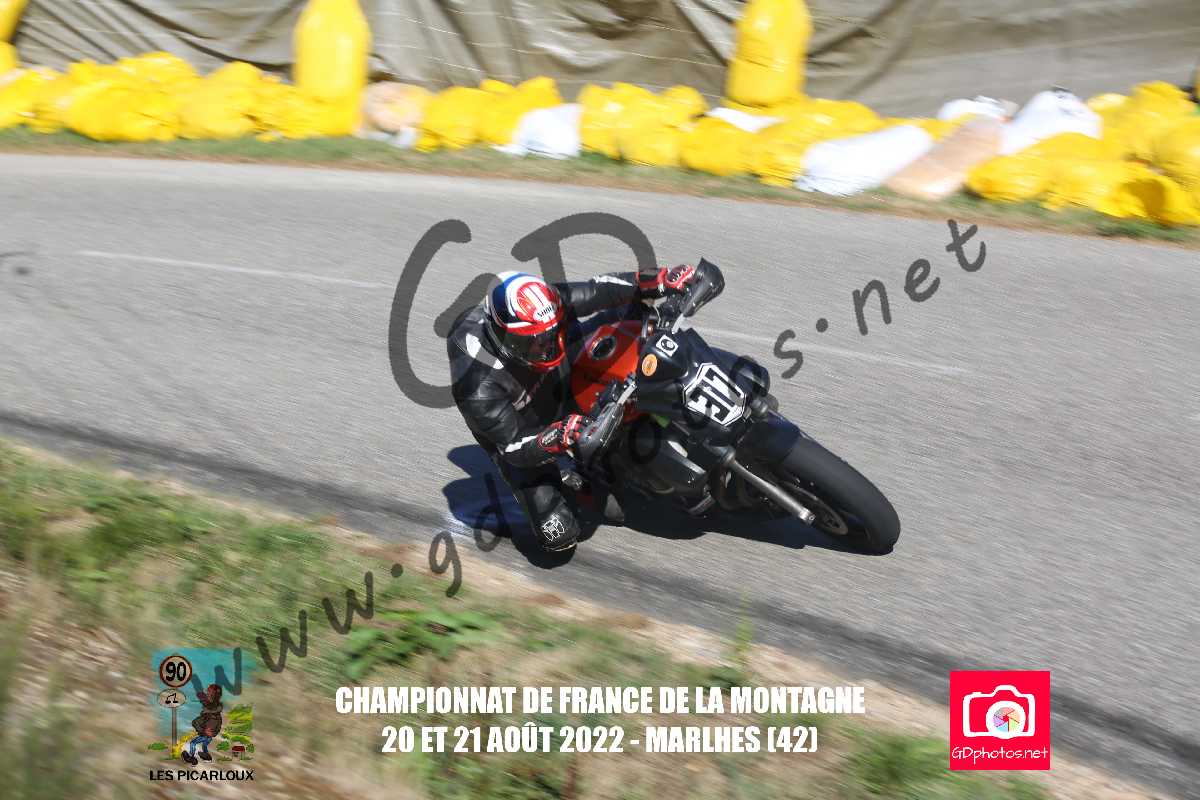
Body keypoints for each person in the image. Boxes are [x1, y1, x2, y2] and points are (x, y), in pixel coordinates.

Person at [447, 264, 704, 552]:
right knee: (560, 534)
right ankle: (579, 473)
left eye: (547, 334)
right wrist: (556, 437)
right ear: (501, 340)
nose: (544, 346)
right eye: (530, 341)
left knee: (636, 316)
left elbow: (596, 290)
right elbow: (512, 449)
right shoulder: (476, 386)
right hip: (526, 434)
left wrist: (656, 280)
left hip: (560, 379)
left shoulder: (543, 309)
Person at [181, 684, 223, 765]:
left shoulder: (213, 713)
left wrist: (207, 730)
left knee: (193, 743)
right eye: (207, 692)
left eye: (209, 692)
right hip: (208, 735)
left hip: (206, 734)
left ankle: (191, 757)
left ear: (214, 694)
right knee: (204, 745)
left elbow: (213, 722)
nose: (207, 693)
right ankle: (207, 757)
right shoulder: (213, 710)